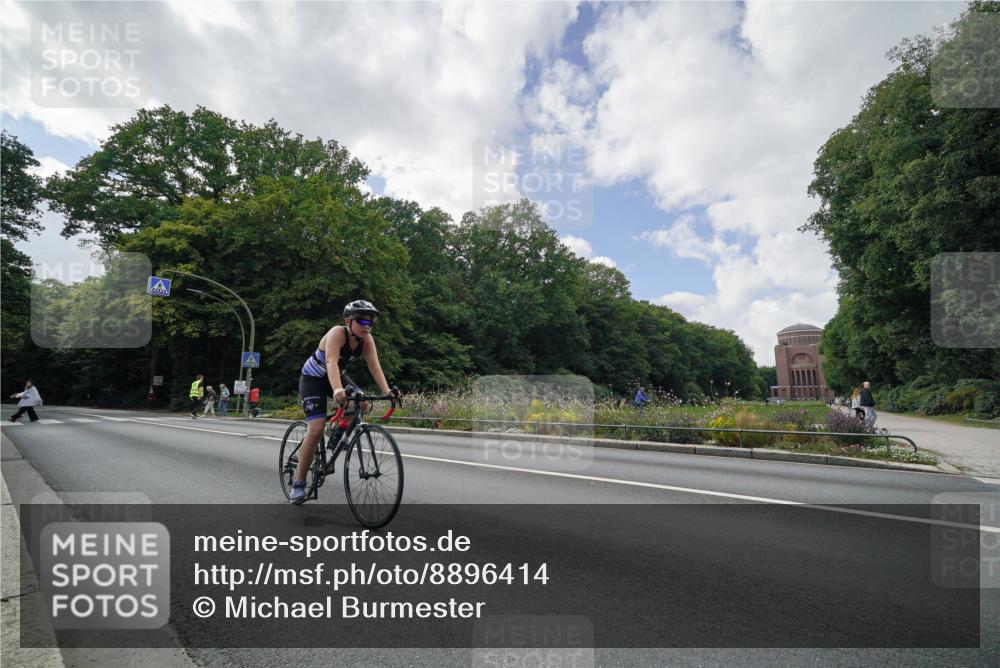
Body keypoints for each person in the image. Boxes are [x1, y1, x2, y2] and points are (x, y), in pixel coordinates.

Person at [290, 299, 400, 505]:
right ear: (348, 321)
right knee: (316, 429)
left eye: (371, 322)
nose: (367, 326)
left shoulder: (366, 340)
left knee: (361, 403)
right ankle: (299, 482)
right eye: (362, 321)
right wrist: (337, 389)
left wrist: (387, 391)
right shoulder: (337, 333)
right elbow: (331, 361)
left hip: (336, 376)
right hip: (314, 379)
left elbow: (374, 366)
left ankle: (336, 435)